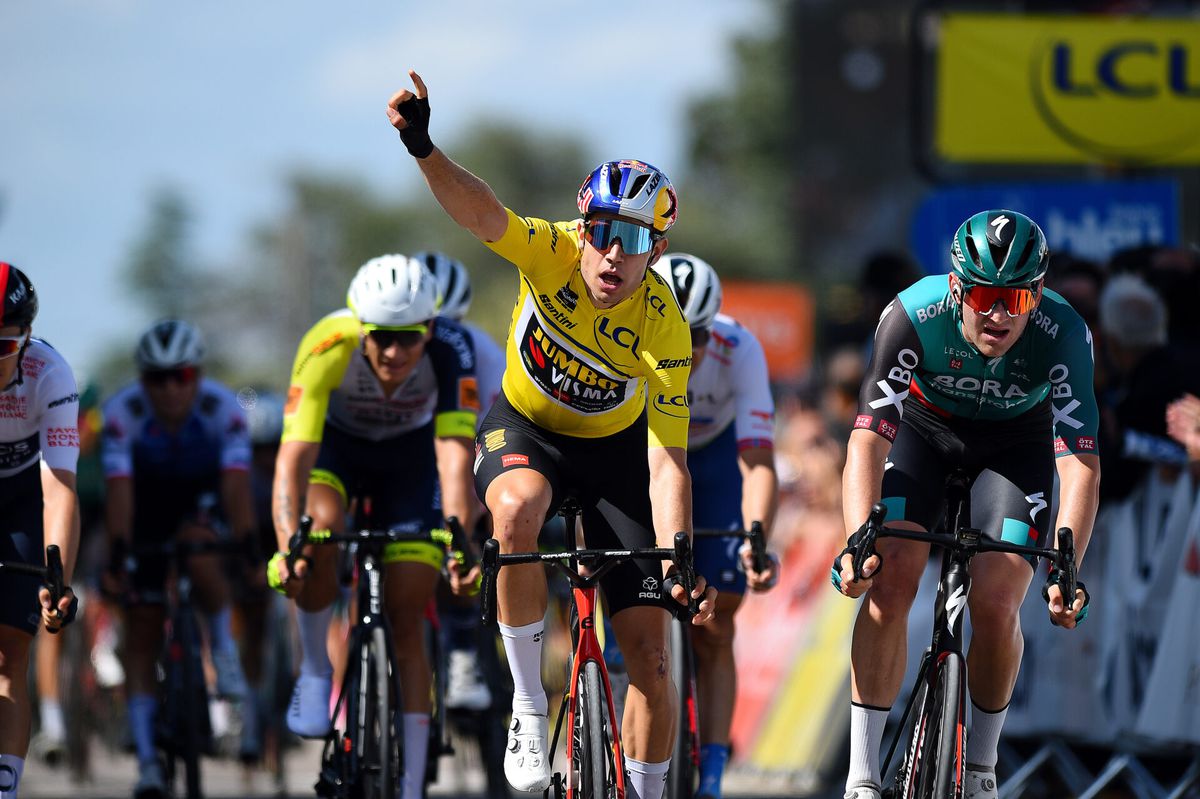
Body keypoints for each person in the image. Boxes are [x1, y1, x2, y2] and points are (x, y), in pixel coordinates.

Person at [387, 70, 717, 799]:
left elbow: (667, 461)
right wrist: (423, 146)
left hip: (616, 458)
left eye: (632, 241)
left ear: (656, 252)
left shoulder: (664, 325)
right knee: (514, 512)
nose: (610, 254)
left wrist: (678, 555)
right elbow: (482, 215)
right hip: (525, 429)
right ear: (583, 225)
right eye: (601, 231)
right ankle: (529, 710)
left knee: (653, 662)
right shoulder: (554, 250)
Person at [831, 210, 1101, 799]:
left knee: (999, 600)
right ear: (957, 288)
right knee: (890, 576)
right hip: (922, 431)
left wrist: (1069, 563)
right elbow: (868, 437)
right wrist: (857, 540)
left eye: (1016, 300)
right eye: (983, 296)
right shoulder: (912, 314)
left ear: (1037, 295)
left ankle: (980, 767)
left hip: (1014, 444)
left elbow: (1078, 462)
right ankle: (861, 776)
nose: (999, 314)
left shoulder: (1063, 332)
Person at [266, 254, 480, 799]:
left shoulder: (453, 352)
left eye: (408, 339)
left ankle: (410, 788)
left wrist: (460, 542)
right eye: (380, 337)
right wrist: (285, 548)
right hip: (337, 454)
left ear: (430, 328)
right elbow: (291, 462)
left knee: (408, 614)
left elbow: (455, 458)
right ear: (360, 327)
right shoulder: (325, 344)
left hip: (411, 465)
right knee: (319, 533)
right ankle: (315, 671)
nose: (392, 352)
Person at [101, 319, 257, 799]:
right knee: (142, 626)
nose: (169, 389)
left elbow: (235, 485)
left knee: (202, 553)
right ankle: (148, 761)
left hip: (201, 499)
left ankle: (224, 656)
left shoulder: (223, 408)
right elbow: (120, 491)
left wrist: (247, 540)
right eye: (157, 378)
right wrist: (120, 552)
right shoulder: (121, 411)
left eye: (181, 376)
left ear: (198, 375)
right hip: (144, 505)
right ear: (143, 380)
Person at [651, 253, 780, 799]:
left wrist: (756, 538)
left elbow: (758, 462)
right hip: (651, 451)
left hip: (716, 457)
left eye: (698, 334)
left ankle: (712, 775)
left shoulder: (740, 348)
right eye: (680, 332)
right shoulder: (631, 335)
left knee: (716, 625)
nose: (692, 345)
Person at [0, 263, 81, 799]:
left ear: (26, 339)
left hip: (23, 499)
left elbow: (59, 490)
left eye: (2, 346)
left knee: (10, 653)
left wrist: (58, 581)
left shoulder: (51, 373)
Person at [416, 250, 504, 711]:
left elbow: (493, 436)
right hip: (407, 455)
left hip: (466, 452)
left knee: (466, 535)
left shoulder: (483, 353)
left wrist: (482, 511)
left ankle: (465, 646)